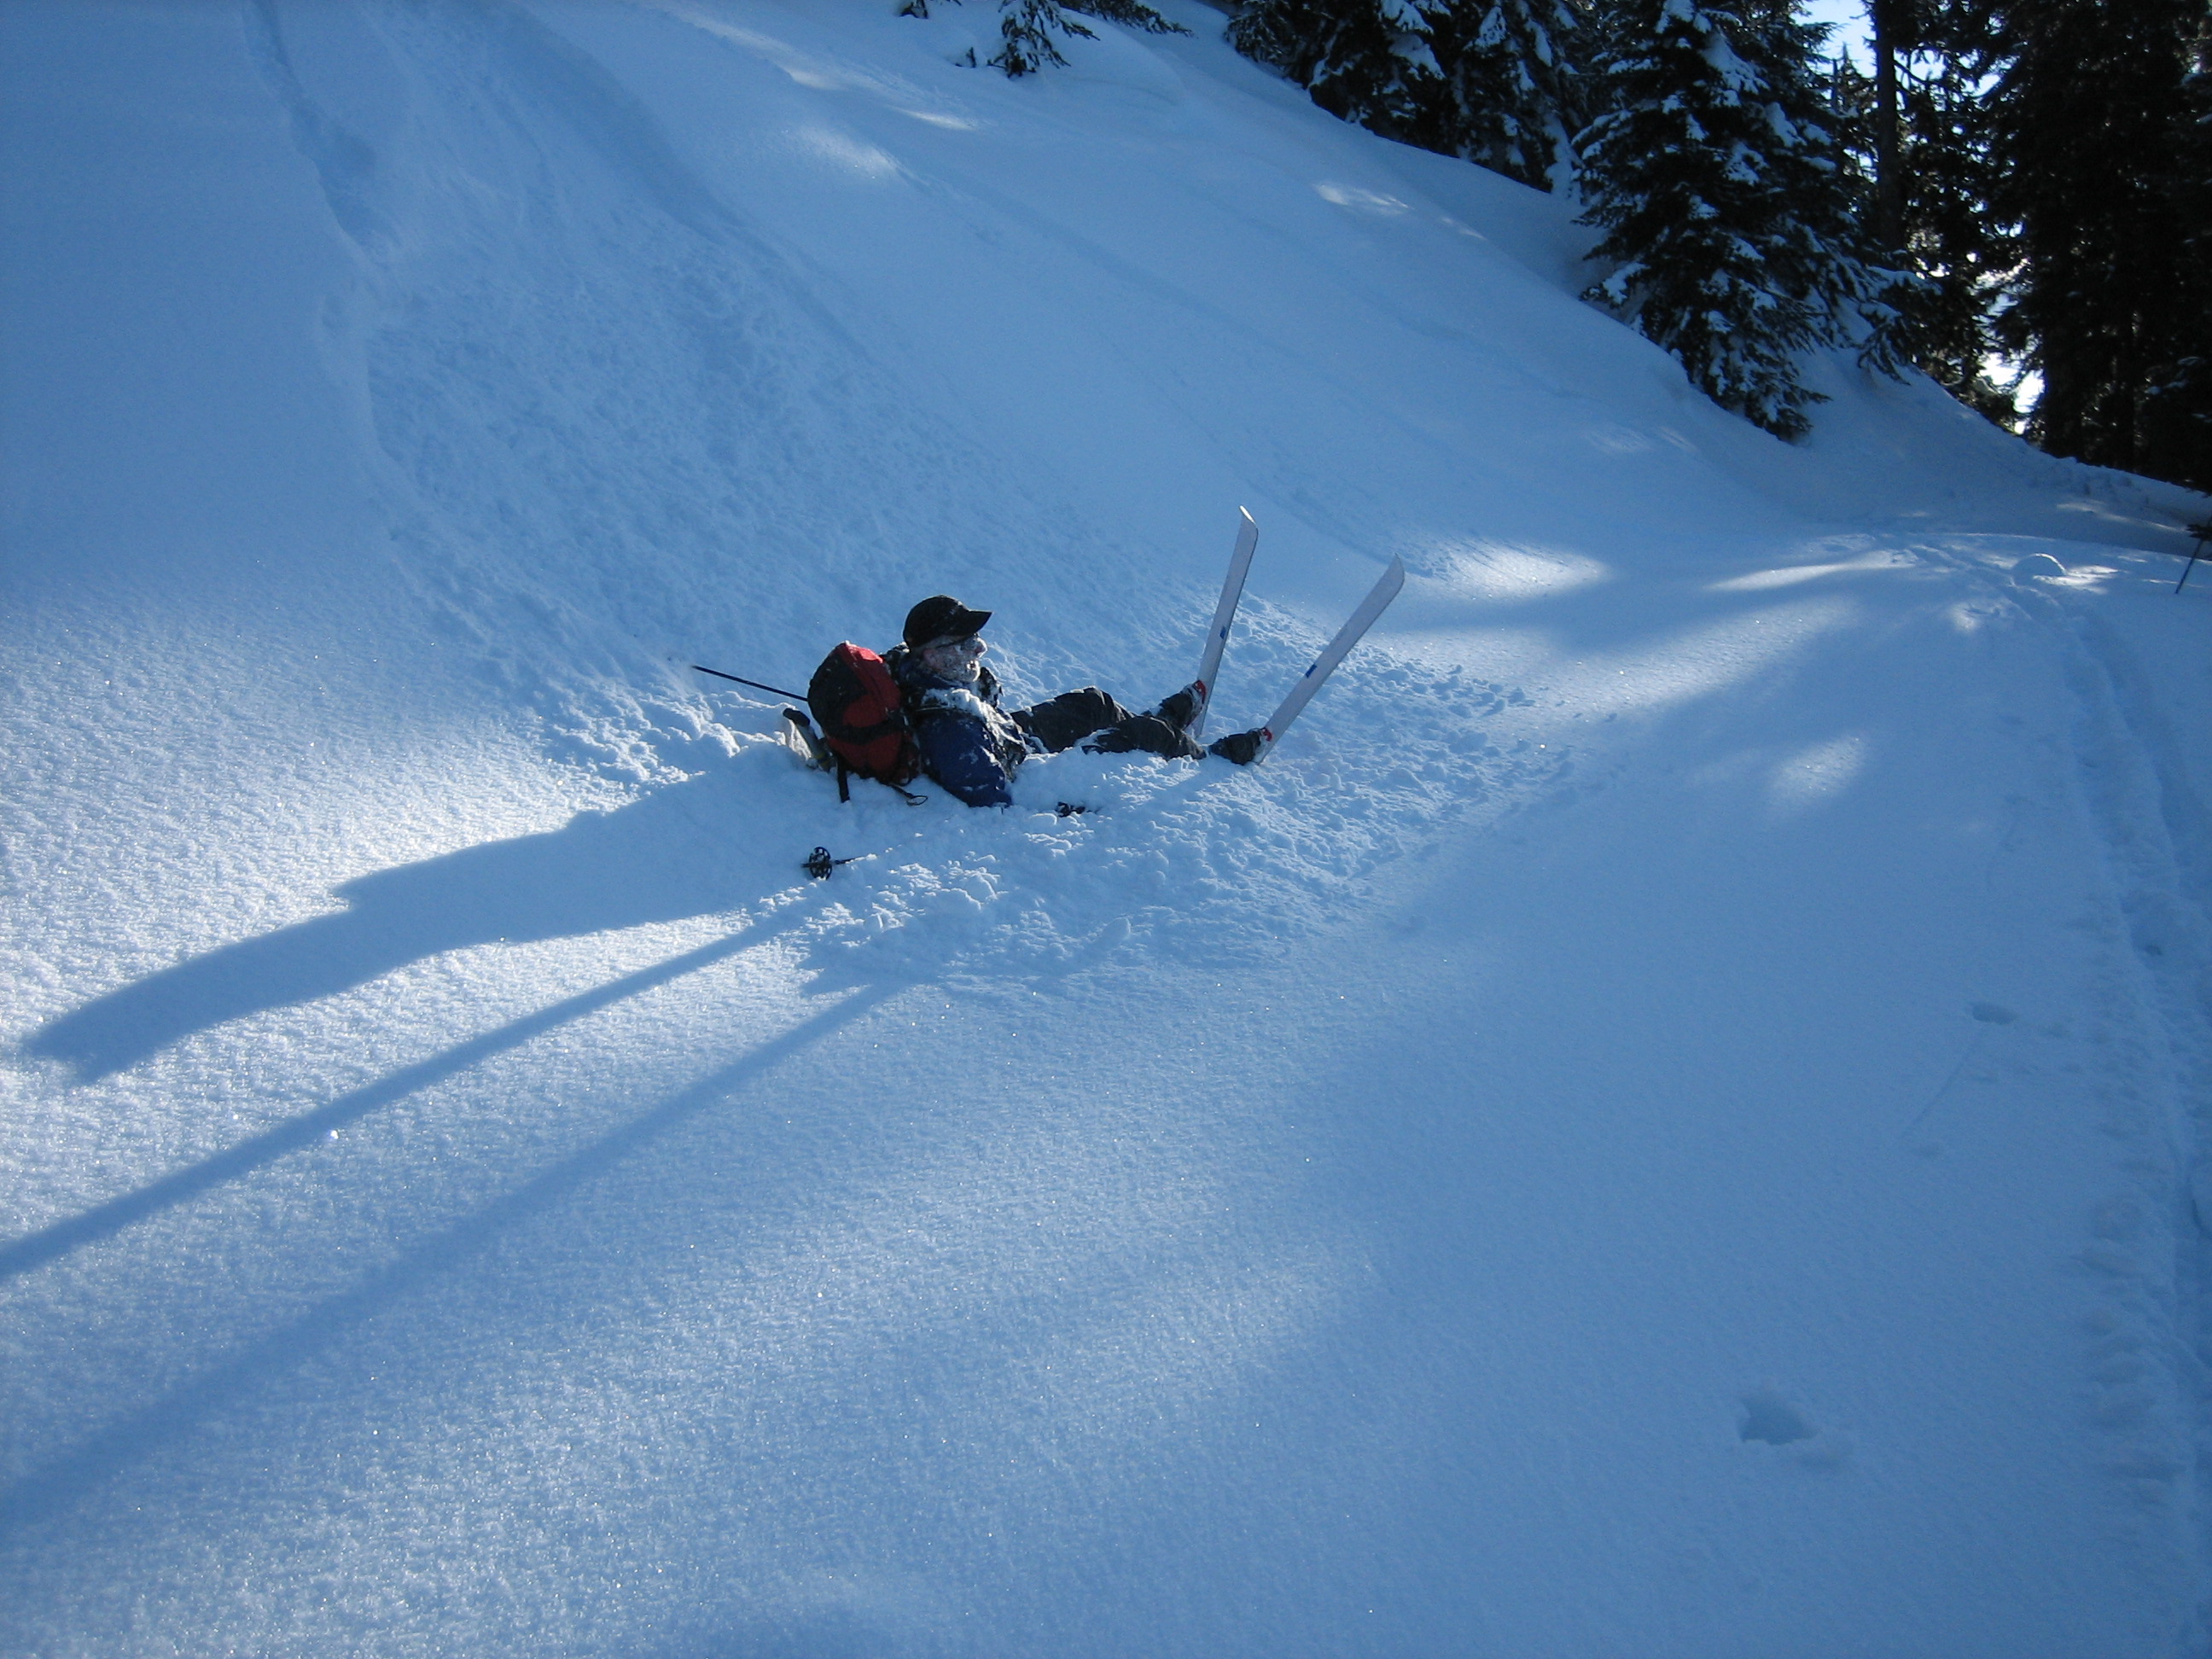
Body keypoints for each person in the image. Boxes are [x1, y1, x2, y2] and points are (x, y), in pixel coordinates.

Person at [888, 594, 1262, 807]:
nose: (979, 648)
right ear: (933, 655)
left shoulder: (930, 674)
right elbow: (999, 798)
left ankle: (1158, 729)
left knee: (1094, 703)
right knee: (1144, 733)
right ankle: (1207, 760)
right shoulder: (949, 730)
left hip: (1009, 737)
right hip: (1030, 771)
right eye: (966, 642)